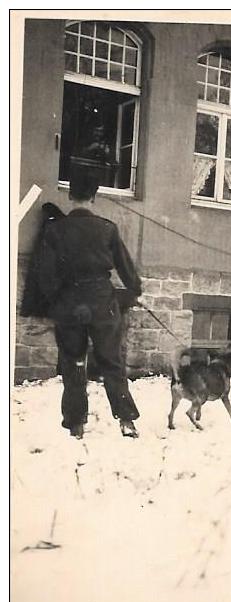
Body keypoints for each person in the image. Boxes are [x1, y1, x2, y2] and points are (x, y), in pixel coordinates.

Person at [37, 167, 142, 439]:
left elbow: (45, 275)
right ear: (94, 197)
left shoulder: (55, 230)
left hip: (70, 304)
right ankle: (126, 421)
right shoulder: (107, 228)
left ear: (70, 196)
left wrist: (57, 301)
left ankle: (76, 424)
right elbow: (128, 271)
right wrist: (129, 295)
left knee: (72, 363)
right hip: (102, 301)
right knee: (112, 362)